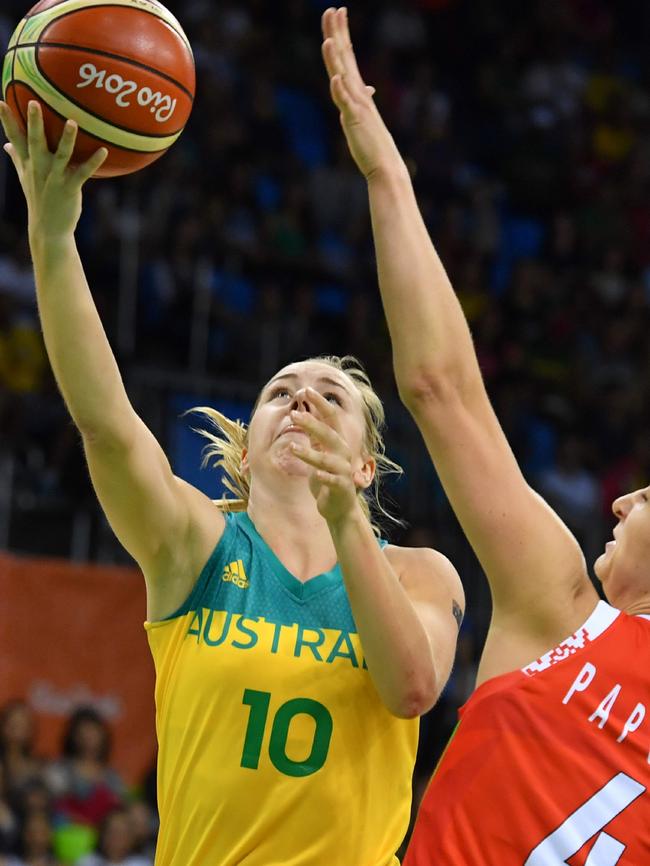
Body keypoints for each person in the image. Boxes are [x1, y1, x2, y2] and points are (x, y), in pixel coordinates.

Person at [0, 100, 464, 866]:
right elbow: (108, 426)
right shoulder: (196, 545)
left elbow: (411, 689)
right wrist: (52, 238)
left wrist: (346, 522)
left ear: (363, 466)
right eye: (281, 392)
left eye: (331, 397)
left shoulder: (419, 574)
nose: (302, 400)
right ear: (245, 454)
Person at [320, 6, 650, 864]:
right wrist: (388, 174)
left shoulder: (563, 611)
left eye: (648, 496)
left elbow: (444, 393)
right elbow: (441, 390)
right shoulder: (562, 607)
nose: (621, 498)